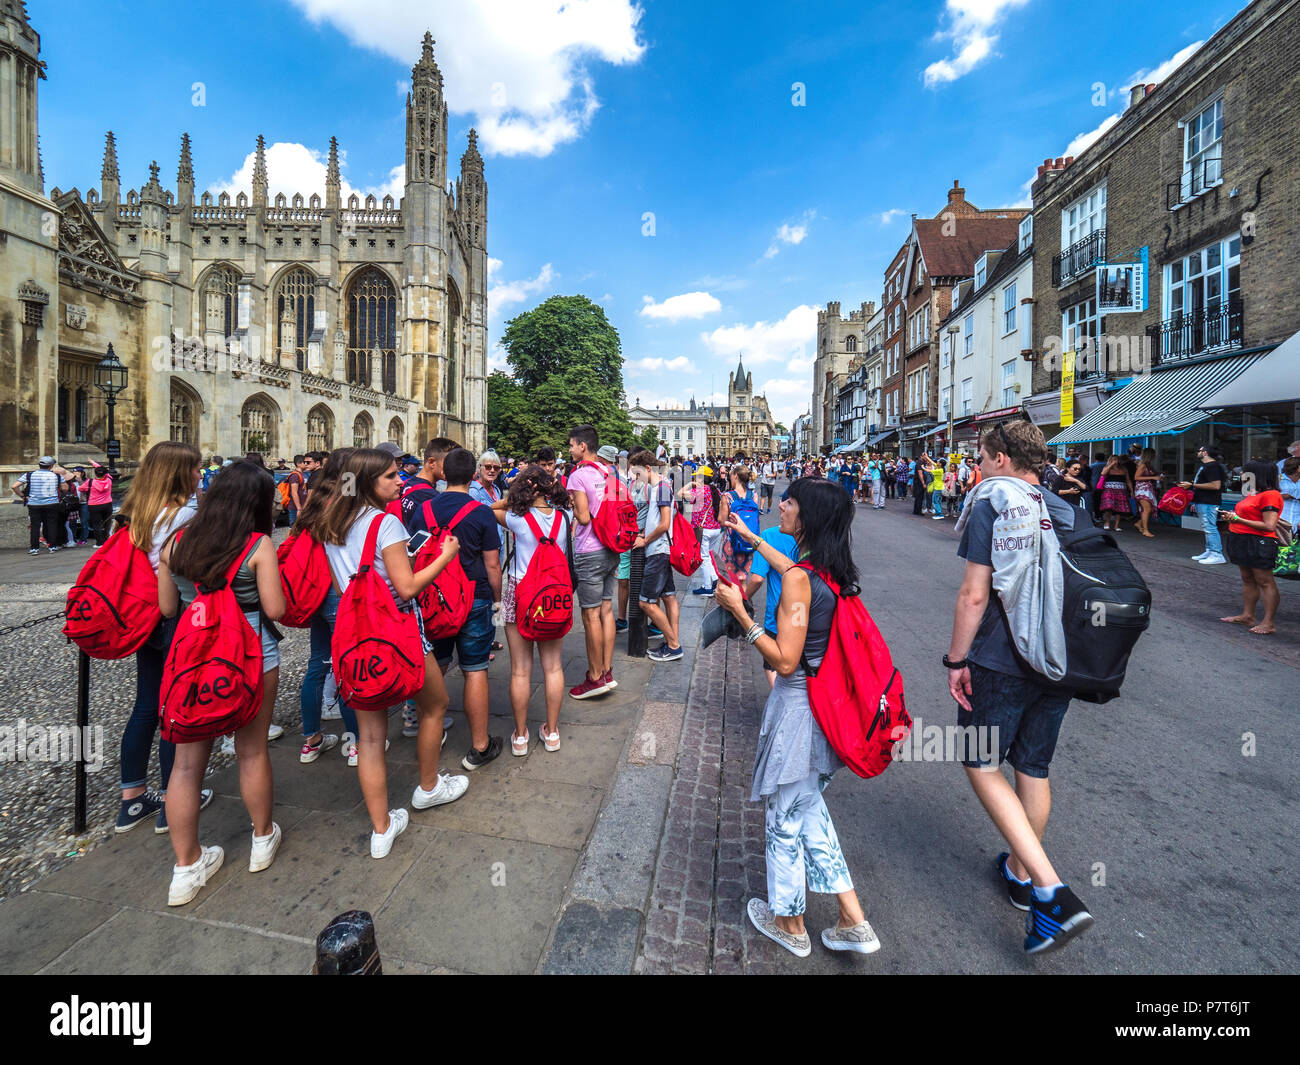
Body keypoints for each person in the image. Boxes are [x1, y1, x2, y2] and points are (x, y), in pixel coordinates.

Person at [714, 478, 879, 958]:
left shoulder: (800, 583)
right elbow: (793, 570)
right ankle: (852, 917)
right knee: (807, 810)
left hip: (797, 709)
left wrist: (741, 614)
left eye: (789, 501)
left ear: (805, 518)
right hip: (823, 710)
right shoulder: (826, 569)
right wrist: (754, 538)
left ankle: (789, 922)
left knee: (784, 818)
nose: (780, 505)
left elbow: (784, 660)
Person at [947, 421, 1093, 954]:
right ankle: (1020, 872)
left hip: (1001, 659)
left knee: (980, 762)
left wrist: (955, 658)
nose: (978, 469)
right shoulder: (1063, 506)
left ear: (1003, 458)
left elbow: (973, 595)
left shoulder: (993, 502)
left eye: (982, 459)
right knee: (1032, 765)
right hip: (1059, 658)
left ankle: (1052, 892)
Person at [316, 447, 468, 857]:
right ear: (367, 483)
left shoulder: (331, 524)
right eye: (389, 477)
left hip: (357, 637)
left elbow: (341, 587)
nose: (400, 481)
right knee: (435, 707)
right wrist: (446, 556)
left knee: (369, 737)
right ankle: (429, 786)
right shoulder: (386, 524)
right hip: (399, 632)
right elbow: (407, 588)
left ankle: (381, 829)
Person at [157, 460, 286, 904]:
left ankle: (186, 868)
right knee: (252, 751)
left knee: (187, 765)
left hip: (192, 658)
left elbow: (167, 608)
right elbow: (276, 610)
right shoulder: (257, 545)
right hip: (250, 653)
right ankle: (261, 839)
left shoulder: (175, 543)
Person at [111, 441, 210, 834]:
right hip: (175, 617)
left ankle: (132, 800)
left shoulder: (129, 514)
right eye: (196, 469)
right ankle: (175, 797)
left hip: (142, 617)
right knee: (175, 707)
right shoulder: (185, 514)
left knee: (146, 705)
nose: (200, 475)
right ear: (180, 474)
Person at [415, 447, 504, 771]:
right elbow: (492, 564)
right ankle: (480, 746)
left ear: (444, 473)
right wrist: (498, 600)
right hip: (475, 597)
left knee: (434, 667)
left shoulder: (423, 510)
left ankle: (429, 735)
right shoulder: (481, 512)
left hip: (433, 598)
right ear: (472, 475)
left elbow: (415, 555)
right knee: (475, 669)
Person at [489, 466, 572, 755]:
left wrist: (517, 495)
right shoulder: (565, 517)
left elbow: (491, 507)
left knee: (520, 671)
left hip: (520, 592)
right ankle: (551, 733)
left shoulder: (516, 518)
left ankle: (521, 736)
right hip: (552, 595)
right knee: (553, 667)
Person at [290, 449, 362, 767]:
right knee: (346, 666)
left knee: (317, 664)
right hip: (335, 590)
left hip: (314, 590)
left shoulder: (318, 496)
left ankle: (311, 740)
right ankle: (356, 742)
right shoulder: (345, 493)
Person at [567, 424, 619, 699]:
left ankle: (595, 677)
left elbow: (584, 518)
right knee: (606, 610)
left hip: (590, 549)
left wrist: (572, 503)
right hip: (612, 547)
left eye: (572, 445)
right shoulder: (608, 472)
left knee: (590, 615)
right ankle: (607, 670)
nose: (570, 449)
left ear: (583, 447)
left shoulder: (578, 476)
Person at [740, 493, 800, 690]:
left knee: (775, 664)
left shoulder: (771, 535)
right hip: (806, 621)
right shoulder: (822, 546)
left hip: (779, 617)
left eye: (789, 503)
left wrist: (741, 603)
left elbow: (757, 578)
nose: (781, 506)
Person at [627, 451, 683, 662]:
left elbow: (664, 523)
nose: (636, 478)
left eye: (638, 473)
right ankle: (671, 641)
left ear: (648, 469)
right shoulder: (662, 486)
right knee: (669, 596)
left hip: (657, 550)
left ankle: (674, 645)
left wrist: (645, 539)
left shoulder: (660, 488)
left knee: (646, 603)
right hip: (661, 548)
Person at [1219, 460, 1284, 636]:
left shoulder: (1270, 495)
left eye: (1245, 472)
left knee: (1264, 580)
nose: (1241, 475)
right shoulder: (1253, 493)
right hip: (1241, 538)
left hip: (1259, 541)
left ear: (1257, 474)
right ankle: (1248, 615)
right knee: (1247, 578)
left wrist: (1237, 519)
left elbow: (1269, 525)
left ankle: (1268, 622)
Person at [1179, 445, 1228, 565]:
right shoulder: (1208, 466)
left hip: (1209, 502)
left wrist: (1192, 486)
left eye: (1199, 451)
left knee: (1210, 527)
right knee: (1207, 527)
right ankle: (1210, 551)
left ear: (1205, 453)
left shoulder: (1213, 466)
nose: (1198, 452)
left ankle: (1216, 553)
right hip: (1203, 500)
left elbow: (1215, 485)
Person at [680, 464, 723, 596]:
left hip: (703, 529)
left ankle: (707, 587)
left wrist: (689, 484)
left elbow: (679, 494)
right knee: (708, 554)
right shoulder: (715, 490)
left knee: (703, 557)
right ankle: (715, 579)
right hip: (715, 528)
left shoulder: (699, 491)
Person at [15, 456, 65, 554]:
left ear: (39, 465)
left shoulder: (29, 475)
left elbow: (14, 486)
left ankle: (34, 548)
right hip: (52, 503)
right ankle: (52, 546)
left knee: (35, 526)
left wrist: (23, 496)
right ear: (51, 466)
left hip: (34, 504)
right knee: (51, 524)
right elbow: (65, 488)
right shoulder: (57, 476)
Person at [723, 466, 760, 578]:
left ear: (736, 476)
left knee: (730, 578)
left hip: (731, 541)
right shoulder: (753, 495)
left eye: (730, 476)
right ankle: (743, 596)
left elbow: (722, 520)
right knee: (742, 578)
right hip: (748, 539)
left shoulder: (727, 496)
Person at [1097, 454, 1134, 532]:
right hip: (1109, 489)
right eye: (1113, 460)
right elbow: (1103, 473)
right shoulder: (1107, 468)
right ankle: (1107, 523)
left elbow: (1128, 480)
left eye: (1116, 460)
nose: (1115, 461)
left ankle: (1116, 525)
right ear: (1110, 461)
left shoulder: (1123, 469)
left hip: (1121, 489)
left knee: (1119, 508)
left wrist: (1131, 491)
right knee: (1108, 506)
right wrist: (1111, 465)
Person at [1133, 449, 1162, 538]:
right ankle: (1145, 530)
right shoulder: (1142, 465)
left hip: (1148, 488)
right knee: (1147, 509)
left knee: (1148, 509)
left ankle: (1139, 523)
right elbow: (1136, 477)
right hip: (1142, 488)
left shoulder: (1148, 465)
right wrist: (1153, 477)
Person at [1279, 456, 1300, 530]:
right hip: (1281, 520)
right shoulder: (1279, 479)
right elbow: (1267, 495)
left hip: (1298, 522)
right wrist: (1281, 496)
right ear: (1298, 468)